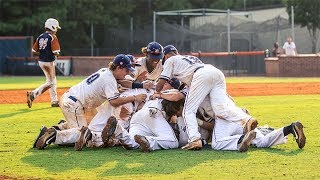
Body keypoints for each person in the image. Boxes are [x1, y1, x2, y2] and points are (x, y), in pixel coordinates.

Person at [34, 54, 147, 150]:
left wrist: (141, 85)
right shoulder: (109, 80)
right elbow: (114, 102)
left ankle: (54, 129)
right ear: (118, 67)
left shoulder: (106, 72)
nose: (127, 73)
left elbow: (122, 82)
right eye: (126, 70)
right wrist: (134, 97)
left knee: (90, 128)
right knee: (84, 135)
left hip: (74, 100)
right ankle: (54, 136)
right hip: (73, 104)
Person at [155, 45, 257, 150]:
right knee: (220, 108)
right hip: (214, 71)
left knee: (188, 111)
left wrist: (156, 92)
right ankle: (246, 119)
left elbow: (161, 82)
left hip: (200, 75)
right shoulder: (188, 58)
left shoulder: (170, 60)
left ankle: (195, 140)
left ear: (166, 56)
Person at [27, 18, 61, 108]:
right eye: (56, 27)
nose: (56, 29)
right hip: (49, 62)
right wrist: (55, 55)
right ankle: (33, 94)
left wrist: (43, 51)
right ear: (52, 27)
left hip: (41, 61)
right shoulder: (53, 37)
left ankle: (54, 101)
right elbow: (56, 51)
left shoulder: (40, 36)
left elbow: (34, 50)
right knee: (51, 82)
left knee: (52, 81)